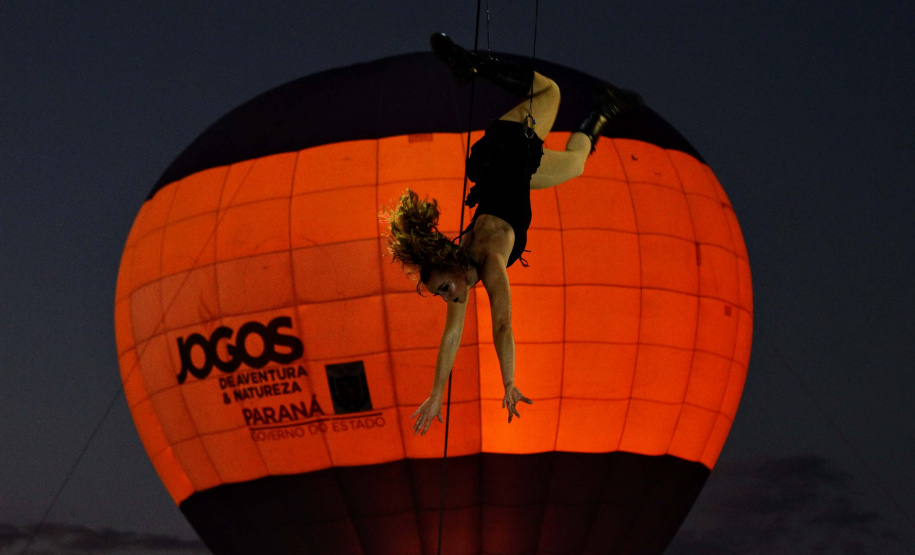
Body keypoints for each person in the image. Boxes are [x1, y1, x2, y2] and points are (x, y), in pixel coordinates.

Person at [383, 33, 643, 435]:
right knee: (575, 165)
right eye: (443, 294)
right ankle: (604, 109)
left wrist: (508, 383)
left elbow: (503, 326)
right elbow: (451, 337)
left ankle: (472, 64)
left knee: (549, 90)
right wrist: (436, 393)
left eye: (444, 289)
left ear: (452, 268)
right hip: (502, 168)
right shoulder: (463, 265)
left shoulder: (487, 262)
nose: (449, 297)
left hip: (508, 153)